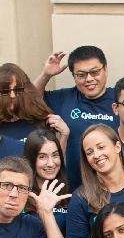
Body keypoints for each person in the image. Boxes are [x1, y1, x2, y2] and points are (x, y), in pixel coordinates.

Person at [35, 44, 116, 188]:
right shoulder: (65, 98)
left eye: (95, 72)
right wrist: (46, 74)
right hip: (74, 188)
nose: (89, 79)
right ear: (73, 76)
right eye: (81, 75)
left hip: (112, 186)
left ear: (106, 69)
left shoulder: (120, 99)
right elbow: (31, 99)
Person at [0, 62, 63, 144]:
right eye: (6, 91)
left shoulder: (40, 121)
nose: (12, 95)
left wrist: (64, 135)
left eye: (17, 90)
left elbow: (55, 155)